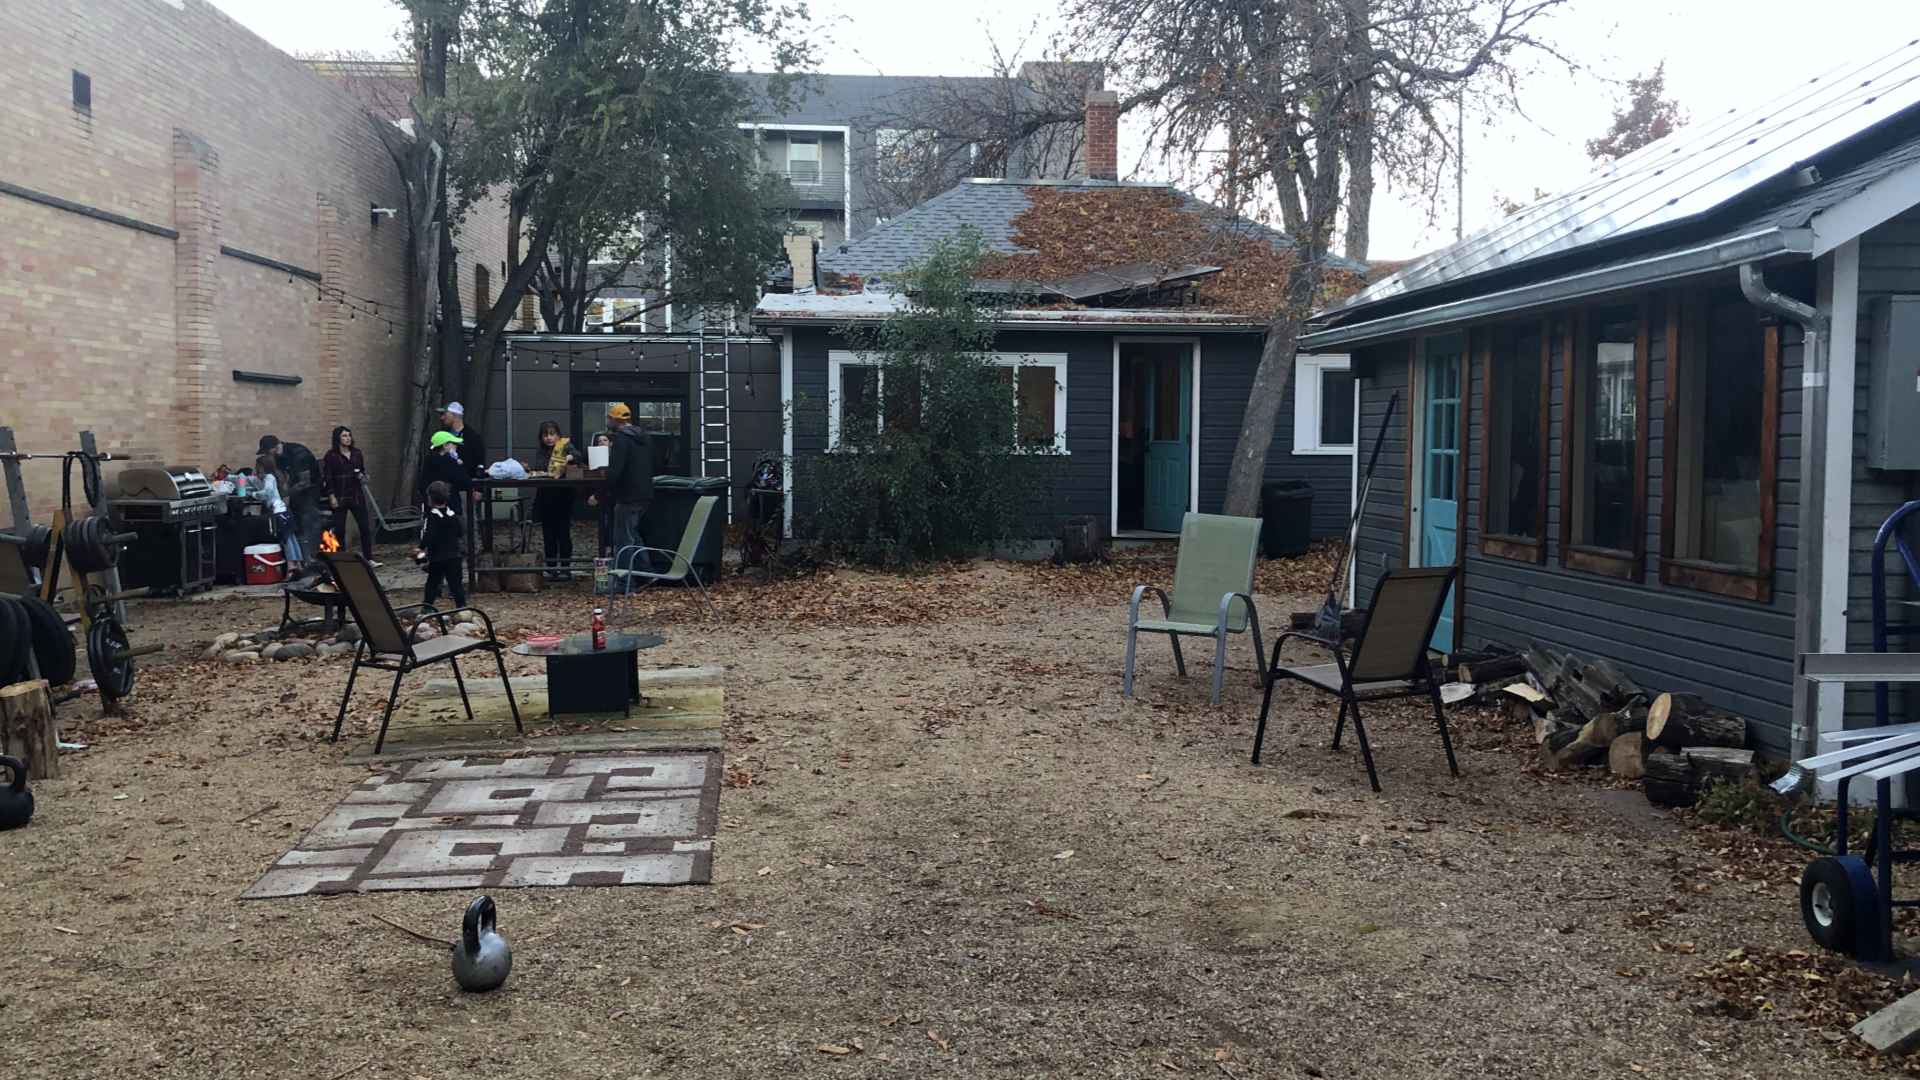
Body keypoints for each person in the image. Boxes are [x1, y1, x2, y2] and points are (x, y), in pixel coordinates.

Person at [260, 434, 322, 573]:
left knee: (307, 521)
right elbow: (285, 479)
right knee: (297, 526)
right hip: (295, 493)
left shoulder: (299, 453)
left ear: (274, 448)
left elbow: (305, 482)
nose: (267, 455)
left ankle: (312, 560)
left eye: (267, 451)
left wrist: (285, 496)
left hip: (310, 491)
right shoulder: (280, 458)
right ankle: (303, 562)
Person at [534, 420, 583, 581]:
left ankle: (565, 566)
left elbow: (578, 455)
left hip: (563, 496)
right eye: (545, 435)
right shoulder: (541, 452)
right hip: (546, 496)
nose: (549, 438)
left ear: (558, 435)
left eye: (552, 434)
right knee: (548, 533)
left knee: (563, 533)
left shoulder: (565, 445)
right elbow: (540, 467)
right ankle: (551, 566)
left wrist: (568, 456)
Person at [604, 403, 654, 553]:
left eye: (609, 418)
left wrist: (602, 491)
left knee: (623, 540)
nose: (607, 421)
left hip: (627, 496)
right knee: (633, 535)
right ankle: (646, 573)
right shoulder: (644, 437)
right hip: (645, 494)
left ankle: (623, 576)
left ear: (615, 420)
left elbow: (615, 470)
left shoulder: (621, 439)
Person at [322, 425, 376, 563]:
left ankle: (369, 558)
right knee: (340, 529)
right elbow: (328, 477)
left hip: (356, 494)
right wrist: (331, 496)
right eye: (344, 436)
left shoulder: (357, 453)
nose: (348, 438)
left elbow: (362, 471)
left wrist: (364, 477)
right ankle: (343, 560)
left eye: (349, 435)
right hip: (340, 495)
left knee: (364, 527)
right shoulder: (331, 456)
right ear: (337, 439)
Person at [416, 480, 467, 609]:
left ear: (430, 498)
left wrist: (420, 548)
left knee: (432, 583)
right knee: (456, 584)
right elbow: (460, 532)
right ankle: (462, 607)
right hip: (454, 555)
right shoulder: (452, 514)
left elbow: (429, 535)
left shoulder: (432, 516)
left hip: (438, 556)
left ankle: (427, 607)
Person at [255, 452, 303, 572]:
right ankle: (299, 565)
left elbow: (267, 493)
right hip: (285, 511)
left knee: (285, 540)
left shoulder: (269, 478)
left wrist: (254, 494)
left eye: (257, 466)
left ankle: (291, 567)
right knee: (292, 538)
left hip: (278, 513)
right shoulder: (276, 476)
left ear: (262, 467)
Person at [585, 432, 615, 557]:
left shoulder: (615, 458)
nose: (601, 442)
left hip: (612, 496)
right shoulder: (595, 457)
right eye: (599, 441)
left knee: (610, 522)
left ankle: (609, 548)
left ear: (611, 443)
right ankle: (606, 549)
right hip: (602, 495)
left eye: (604, 440)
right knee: (605, 522)